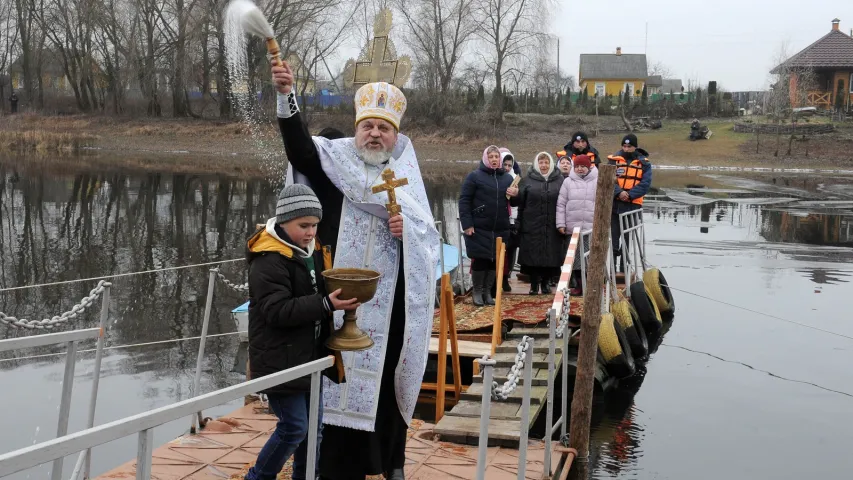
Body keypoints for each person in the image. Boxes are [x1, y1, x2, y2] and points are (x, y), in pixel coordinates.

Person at [272, 62, 440, 480]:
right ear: (356, 128)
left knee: (385, 376)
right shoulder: (334, 162)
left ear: (395, 135)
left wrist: (408, 233)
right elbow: (299, 150)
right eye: (368, 126)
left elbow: (429, 241)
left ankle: (389, 461)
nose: (374, 134)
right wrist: (286, 94)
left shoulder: (405, 176)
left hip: (388, 304)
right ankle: (327, 466)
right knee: (331, 378)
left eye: (383, 128)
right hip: (333, 296)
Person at [245, 184, 360, 480]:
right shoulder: (268, 259)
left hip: (312, 355)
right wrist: (324, 304)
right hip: (280, 358)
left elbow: (318, 291)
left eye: (314, 225)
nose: (311, 232)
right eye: (304, 225)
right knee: (294, 427)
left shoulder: (315, 250)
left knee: (313, 430)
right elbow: (276, 311)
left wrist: (342, 295)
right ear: (283, 222)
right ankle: (257, 477)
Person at [459, 145, 518, 306]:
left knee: (494, 261)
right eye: (491, 157)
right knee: (480, 260)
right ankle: (477, 292)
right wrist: (467, 224)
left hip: (500, 228)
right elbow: (464, 201)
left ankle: (487, 292)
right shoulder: (474, 177)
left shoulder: (507, 178)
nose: (494, 159)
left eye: (496, 157)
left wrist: (516, 195)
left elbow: (514, 202)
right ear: (486, 158)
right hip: (479, 227)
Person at [514, 152, 565, 295]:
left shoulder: (560, 180)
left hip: (552, 223)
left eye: (546, 162)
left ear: (551, 164)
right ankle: (534, 284)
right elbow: (519, 203)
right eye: (541, 162)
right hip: (532, 223)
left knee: (550, 254)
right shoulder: (527, 180)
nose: (544, 165)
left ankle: (546, 283)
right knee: (533, 255)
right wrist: (519, 221)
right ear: (537, 164)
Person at [608, 134, 652, 271]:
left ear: (635, 147)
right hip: (615, 205)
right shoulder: (613, 161)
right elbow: (608, 179)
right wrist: (619, 192)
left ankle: (624, 269)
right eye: (624, 146)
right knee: (614, 239)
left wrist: (630, 195)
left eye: (630, 146)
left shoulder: (644, 164)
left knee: (627, 240)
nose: (626, 149)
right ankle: (612, 270)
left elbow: (645, 184)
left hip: (632, 205)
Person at [556, 155, 598, 295]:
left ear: (589, 166)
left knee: (589, 259)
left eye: (583, 166)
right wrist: (561, 223)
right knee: (575, 260)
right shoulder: (568, 182)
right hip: (572, 228)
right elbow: (561, 204)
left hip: (590, 228)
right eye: (577, 166)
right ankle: (579, 285)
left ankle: (590, 286)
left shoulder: (597, 181)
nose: (580, 169)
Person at [500, 148, 520, 293]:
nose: (507, 168)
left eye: (509, 165)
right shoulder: (495, 177)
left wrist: (516, 194)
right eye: (504, 165)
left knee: (511, 250)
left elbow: (518, 202)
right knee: (499, 250)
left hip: (512, 220)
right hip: (497, 219)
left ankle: (506, 277)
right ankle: (497, 278)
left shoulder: (516, 179)